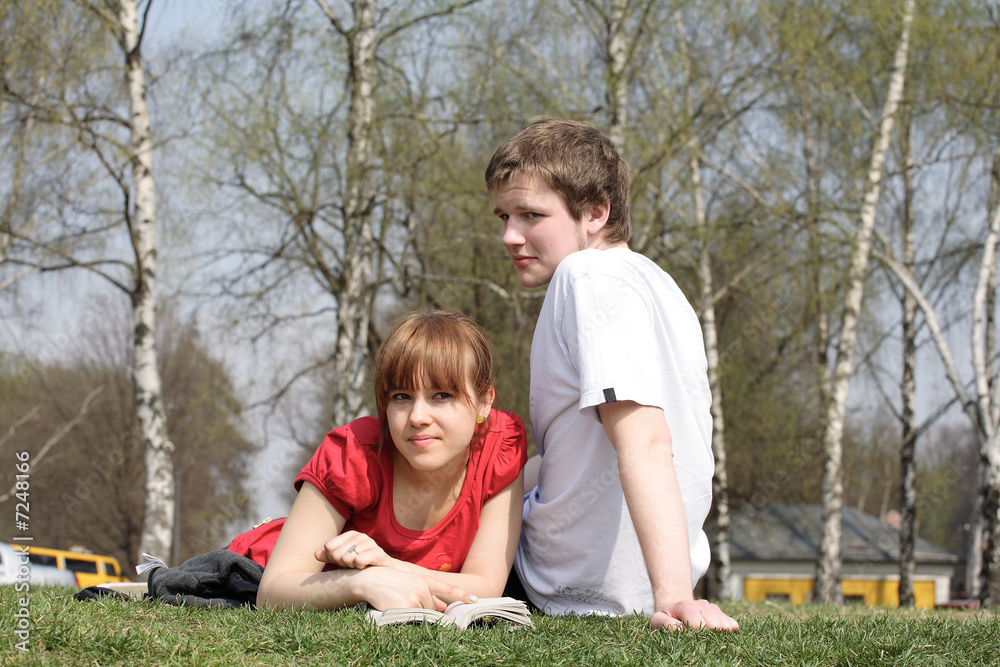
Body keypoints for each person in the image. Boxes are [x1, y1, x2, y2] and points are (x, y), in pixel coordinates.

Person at [486, 119, 738, 631]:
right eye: (504, 216)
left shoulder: (586, 276)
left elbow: (645, 440)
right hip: (634, 585)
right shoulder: (662, 286)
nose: (509, 236)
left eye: (531, 215)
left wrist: (673, 599)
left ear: (596, 211)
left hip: (562, 587)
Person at [247, 310, 527, 611]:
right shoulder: (353, 454)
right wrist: (360, 583)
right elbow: (272, 591)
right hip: (265, 567)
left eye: (442, 395)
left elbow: (484, 587)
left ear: (484, 402)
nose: (418, 417)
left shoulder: (500, 446)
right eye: (402, 396)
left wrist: (388, 566)